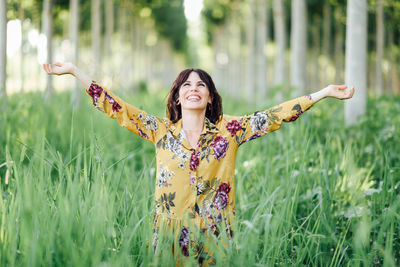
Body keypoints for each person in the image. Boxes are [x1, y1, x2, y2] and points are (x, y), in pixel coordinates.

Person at [43, 62, 354, 265]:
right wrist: (74, 71)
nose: (193, 88)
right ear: (178, 97)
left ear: (210, 97)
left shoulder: (231, 131)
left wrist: (323, 93)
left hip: (216, 236)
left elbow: (273, 116)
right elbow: (116, 107)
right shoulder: (159, 130)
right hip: (168, 238)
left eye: (201, 85)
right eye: (186, 85)